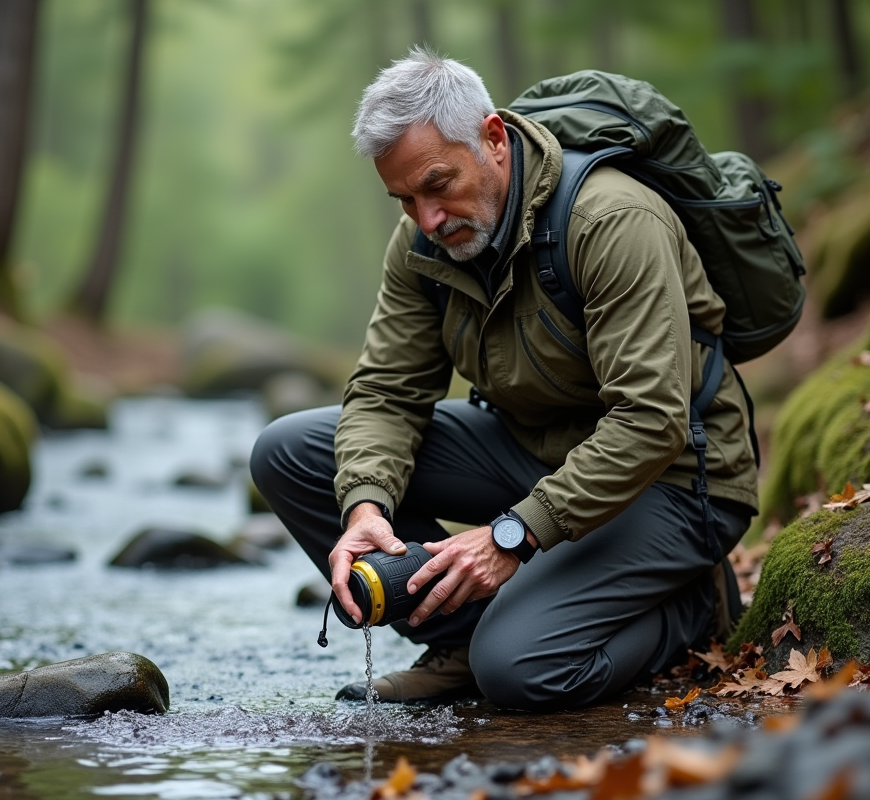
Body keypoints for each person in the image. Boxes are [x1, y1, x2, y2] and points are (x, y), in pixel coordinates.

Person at [250, 48, 758, 711]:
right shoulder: (422, 244)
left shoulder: (609, 221)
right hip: (533, 451)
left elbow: (649, 421)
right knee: (290, 452)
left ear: (493, 138)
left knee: (520, 671)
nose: (425, 218)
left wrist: (512, 535)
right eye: (403, 198)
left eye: (437, 184)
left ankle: (688, 607)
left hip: (676, 477)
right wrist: (367, 505)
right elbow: (385, 394)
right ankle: (461, 641)